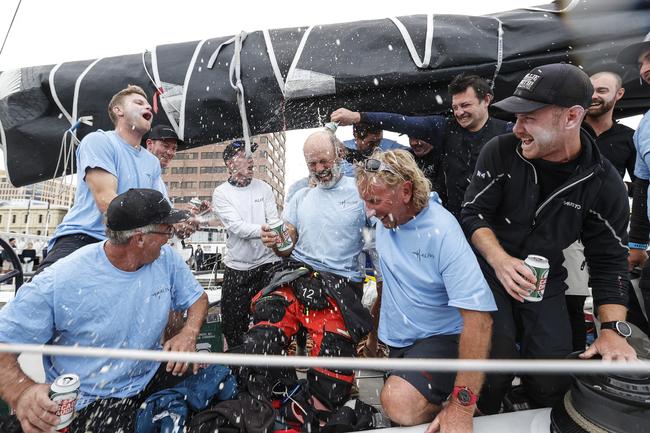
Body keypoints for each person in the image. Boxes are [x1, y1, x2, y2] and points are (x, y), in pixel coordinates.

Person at [462, 63, 637, 414]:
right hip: (487, 270)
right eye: (516, 116)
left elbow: (609, 261)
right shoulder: (500, 150)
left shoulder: (604, 184)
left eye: (528, 117)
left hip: (544, 276)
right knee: (495, 363)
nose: (517, 127)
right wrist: (500, 261)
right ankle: (485, 413)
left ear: (571, 117)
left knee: (551, 375)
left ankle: (532, 406)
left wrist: (614, 329)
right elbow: (472, 214)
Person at [0, 188, 208, 433]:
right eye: (166, 230)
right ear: (139, 239)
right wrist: (22, 392)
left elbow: (198, 299)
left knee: (218, 387)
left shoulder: (166, 260)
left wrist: (189, 332)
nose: (170, 237)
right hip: (89, 401)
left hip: (150, 378)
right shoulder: (60, 281)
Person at [356, 150, 496, 432]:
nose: (369, 210)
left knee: (398, 402)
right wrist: (373, 338)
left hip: (441, 339)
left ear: (405, 190)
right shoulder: (382, 221)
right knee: (398, 413)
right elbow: (383, 281)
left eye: (374, 201)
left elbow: (480, 320)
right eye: (365, 201)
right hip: (399, 341)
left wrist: (461, 406)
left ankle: (463, 408)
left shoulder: (443, 231)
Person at [254, 130, 372, 410]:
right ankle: (278, 396)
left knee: (331, 370)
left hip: (339, 283)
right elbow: (287, 242)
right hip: (298, 275)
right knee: (263, 332)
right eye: (312, 165)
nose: (319, 170)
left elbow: (376, 245)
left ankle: (324, 406)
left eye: (324, 162)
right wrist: (276, 241)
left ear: (339, 154)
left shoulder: (361, 193)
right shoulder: (300, 195)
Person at [332, 73, 513, 219]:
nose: (459, 112)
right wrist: (358, 117)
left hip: (495, 223)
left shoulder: (508, 133)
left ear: (486, 100)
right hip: (454, 222)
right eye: (455, 107)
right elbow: (402, 122)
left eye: (465, 105)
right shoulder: (445, 128)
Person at [36, 85, 164, 274]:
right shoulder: (99, 141)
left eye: (148, 105)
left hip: (131, 244)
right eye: (138, 103)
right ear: (117, 110)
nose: (148, 108)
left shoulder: (152, 162)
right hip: (84, 237)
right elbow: (107, 203)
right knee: (40, 296)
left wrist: (188, 220)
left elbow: (161, 208)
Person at [564, 71, 637, 351]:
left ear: (618, 95)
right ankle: (572, 366)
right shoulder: (570, 129)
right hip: (568, 230)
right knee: (570, 302)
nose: (595, 95)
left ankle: (608, 350)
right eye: (591, 90)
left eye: (603, 90)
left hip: (606, 230)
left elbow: (639, 184)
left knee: (611, 297)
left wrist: (616, 191)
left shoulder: (628, 138)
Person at [212, 140, 281, 348]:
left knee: (271, 324)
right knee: (233, 325)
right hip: (238, 268)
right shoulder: (221, 193)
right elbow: (237, 227)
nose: (251, 160)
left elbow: (274, 220)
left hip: (268, 265)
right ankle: (238, 372)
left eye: (251, 155)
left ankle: (269, 369)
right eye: (244, 155)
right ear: (230, 164)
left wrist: (279, 233)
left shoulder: (265, 188)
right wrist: (265, 231)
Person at [619, 31, 650, 320]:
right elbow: (642, 186)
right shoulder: (645, 125)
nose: (644, 69)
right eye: (641, 63)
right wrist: (637, 245)